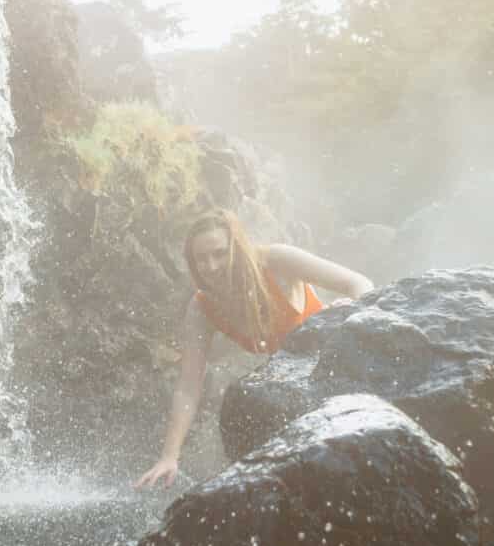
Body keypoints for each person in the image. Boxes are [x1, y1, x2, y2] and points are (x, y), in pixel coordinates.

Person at [134, 208, 374, 489]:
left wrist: (355, 316)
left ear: (237, 247)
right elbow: (188, 385)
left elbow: (359, 284)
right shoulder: (202, 308)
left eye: (220, 253)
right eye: (201, 258)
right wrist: (169, 456)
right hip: (299, 385)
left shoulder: (276, 261)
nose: (211, 266)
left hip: (339, 363)